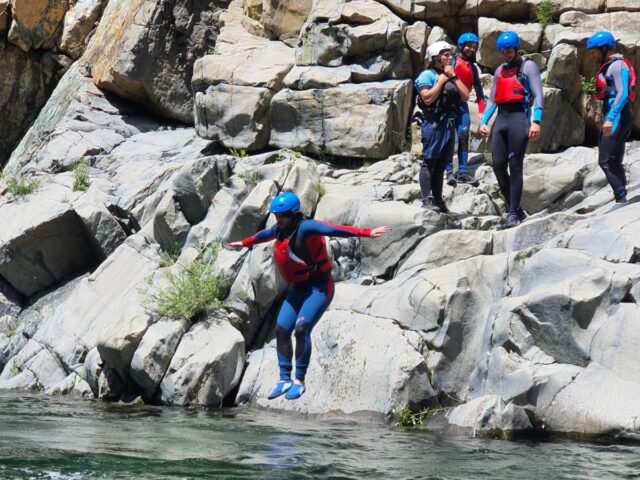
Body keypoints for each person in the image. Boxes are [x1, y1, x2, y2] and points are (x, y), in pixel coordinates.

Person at [228, 192, 389, 400]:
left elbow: (333, 229)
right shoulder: (280, 230)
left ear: (293, 214)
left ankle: (299, 381)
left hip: (319, 288)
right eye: (276, 215)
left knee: (301, 329)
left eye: (282, 216)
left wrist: (366, 232)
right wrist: (245, 242)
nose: (278, 219)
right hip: (298, 288)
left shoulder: (306, 228)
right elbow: (264, 235)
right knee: (281, 329)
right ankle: (284, 379)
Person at [479, 31, 544, 229]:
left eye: (508, 51)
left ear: (516, 49)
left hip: (519, 119)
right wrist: (484, 121)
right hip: (501, 120)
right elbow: (492, 99)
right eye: (503, 52)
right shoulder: (500, 70)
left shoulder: (528, 67)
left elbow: (538, 95)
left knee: (515, 166)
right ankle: (516, 209)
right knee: (498, 165)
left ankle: (513, 212)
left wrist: (536, 121)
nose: (506, 55)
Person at [415, 41, 470, 213]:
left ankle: (438, 200)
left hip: (448, 123)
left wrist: (453, 77)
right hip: (433, 122)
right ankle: (427, 199)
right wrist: (440, 82)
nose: (450, 57)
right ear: (436, 57)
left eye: (450, 54)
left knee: (441, 163)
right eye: (446, 55)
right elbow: (427, 98)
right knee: (430, 161)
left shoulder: (451, 75)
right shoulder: (427, 75)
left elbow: (466, 96)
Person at [587, 31, 635, 204]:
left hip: (618, 116)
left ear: (604, 48)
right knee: (613, 159)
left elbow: (623, 93)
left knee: (605, 160)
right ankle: (622, 198)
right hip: (615, 115)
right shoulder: (608, 66)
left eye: (594, 51)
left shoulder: (618, 65)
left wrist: (611, 118)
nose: (592, 55)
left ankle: (620, 198)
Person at [446, 33, 487, 186]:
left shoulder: (472, 67)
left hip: (462, 105)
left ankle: (462, 172)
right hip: (448, 104)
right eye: (469, 46)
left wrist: (481, 111)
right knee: (449, 137)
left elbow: (479, 91)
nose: (472, 49)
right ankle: (449, 172)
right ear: (461, 46)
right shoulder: (452, 60)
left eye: (474, 47)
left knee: (463, 136)